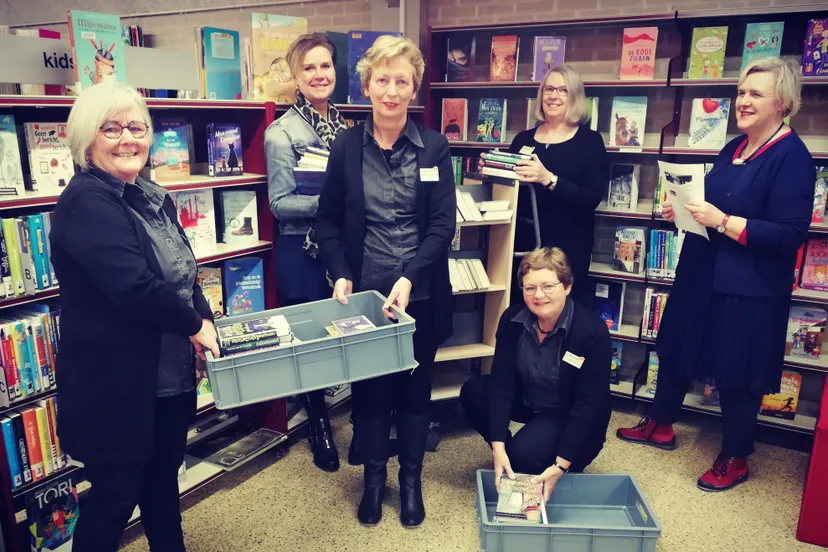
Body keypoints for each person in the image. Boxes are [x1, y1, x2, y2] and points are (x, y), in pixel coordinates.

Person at [617, 57, 816, 492]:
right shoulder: (735, 147)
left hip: (750, 288)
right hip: (701, 270)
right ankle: (661, 423)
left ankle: (736, 456)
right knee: (674, 345)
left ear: (782, 103)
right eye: (741, 92)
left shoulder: (793, 158)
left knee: (737, 373)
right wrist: (684, 209)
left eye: (755, 94)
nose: (742, 101)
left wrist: (722, 220)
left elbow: (789, 234)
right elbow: (709, 204)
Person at [50, 81, 220, 551]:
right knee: (113, 501)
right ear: (87, 139)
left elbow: (184, 275)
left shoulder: (149, 195)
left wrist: (204, 318)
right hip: (118, 389)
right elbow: (135, 287)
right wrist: (195, 326)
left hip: (166, 380)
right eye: (112, 128)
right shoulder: (87, 202)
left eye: (137, 127)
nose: (128, 138)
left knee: (163, 488)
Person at [315, 35, 456, 528]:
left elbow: (442, 225)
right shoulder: (347, 145)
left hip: (421, 294)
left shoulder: (435, 147)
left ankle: (411, 482)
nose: (392, 91)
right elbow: (328, 220)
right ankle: (375, 480)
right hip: (366, 299)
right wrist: (340, 272)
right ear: (367, 86)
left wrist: (412, 278)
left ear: (414, 87)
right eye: (382, 81)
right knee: (372, 393)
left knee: (416, 394)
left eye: (402, 81)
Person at [460, 247, 612, 501]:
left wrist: (561, 465)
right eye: (530, 288)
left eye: (548, 286)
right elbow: (502, 384)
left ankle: (550, 460)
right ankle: (511, 453)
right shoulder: (512, 319)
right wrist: (497, 446)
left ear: (567, 286)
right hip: (531, 399)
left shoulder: (591, 332)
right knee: (474, 391)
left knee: (525, 457)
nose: (538, 295)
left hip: (569, 414)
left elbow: (587, 406)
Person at [264, 33, 350, 474]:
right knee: (311, 339)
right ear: (296, 77)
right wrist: (334, 200)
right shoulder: (281, 134)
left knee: (344, 329)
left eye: (326, 66)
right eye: (310, 68)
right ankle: (318, 423)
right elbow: (279, 204)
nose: (319, 74)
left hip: (341, 245)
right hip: (302, 248)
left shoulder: (347, 126)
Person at [482, 64, 608, 306]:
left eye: (563, 90)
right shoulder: (523, 139)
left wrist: (549, 179)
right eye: (549, 89)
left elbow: (591, 198)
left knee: (560, 314)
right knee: (520, 307)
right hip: (522, 245)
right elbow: (509, 191)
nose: (553, 96)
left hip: (568, 245)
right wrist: (493, 169)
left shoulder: (590, 142)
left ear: (575, 97)